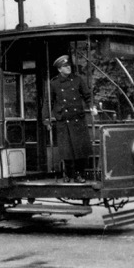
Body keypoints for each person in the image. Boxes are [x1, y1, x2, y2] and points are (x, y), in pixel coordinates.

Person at [44, 55, 97, 183]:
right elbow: (48, 102)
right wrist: (46, 119)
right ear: (59, 69)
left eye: (68, 66)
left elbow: (87, 95)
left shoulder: (78, 80)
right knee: (67, 152)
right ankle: (68, 174)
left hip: (78, 120)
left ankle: (80, 175)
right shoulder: (54, 83)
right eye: (65, 66)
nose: (68, 68)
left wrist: (91, 106)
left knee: (80, 151)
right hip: (64, 121)